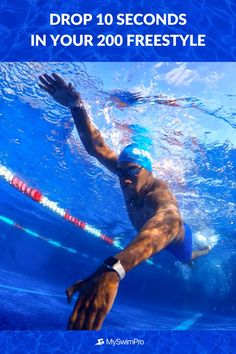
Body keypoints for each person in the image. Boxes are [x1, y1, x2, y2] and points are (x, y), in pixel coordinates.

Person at [38, 73, 211, 330]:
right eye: (121, 173)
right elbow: (96, 147)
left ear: (148, 171)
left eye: (132, 173)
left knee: (187, 257)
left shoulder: (159, 193)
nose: (125, 181)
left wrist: (114, 270)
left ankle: (204, 250)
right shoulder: (125, 172)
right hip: (149, 237)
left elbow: (169, 223)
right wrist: (76, 106)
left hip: (178, 242)